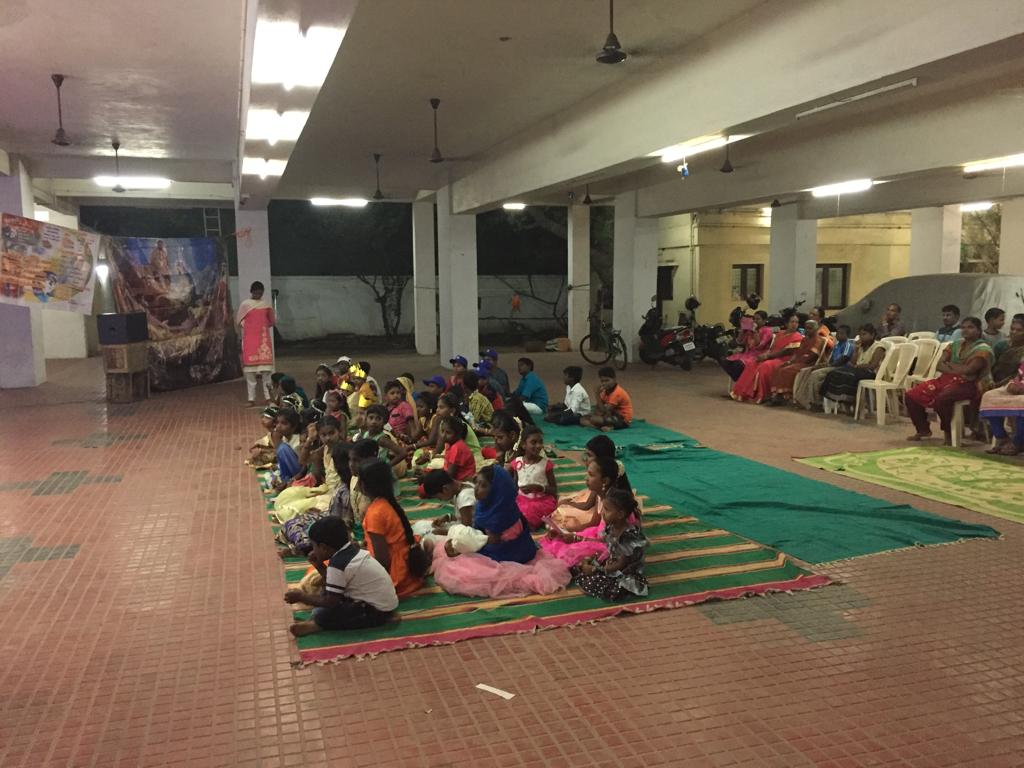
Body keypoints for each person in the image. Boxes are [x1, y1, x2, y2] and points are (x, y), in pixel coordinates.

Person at [428, 465, 570, 598]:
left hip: (508, 552)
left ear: (496, 489)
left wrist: (462, 546)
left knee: (460, 565)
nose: (476, 489)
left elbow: (491, 542)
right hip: (505, 544)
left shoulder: (498, 514)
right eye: (477, 483)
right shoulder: (490, 504)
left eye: (483, 486)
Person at [284, 517, 398, 637]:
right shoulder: (352, 550)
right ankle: (317, 620)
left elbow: (330, 602)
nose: (313, 551)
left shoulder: (338, 564)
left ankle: (317, 624)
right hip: (383, 605)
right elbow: (333, 583)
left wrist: (301, 597)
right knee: (325, 593)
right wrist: (318, 565)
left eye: (314, 547)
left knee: (323, 613)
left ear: (323, 547)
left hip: (376, 613)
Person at [905, 316, 993, 444]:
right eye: (963, 327)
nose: (966, 330)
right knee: (912, 395)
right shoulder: (955, 345)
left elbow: (970, 370)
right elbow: (939, 364)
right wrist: (958, 369)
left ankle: (948, 433)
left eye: (970, 327)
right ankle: (923, 429)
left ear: (979, 330)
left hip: (971, 384)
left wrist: (950, 366)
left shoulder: (983, 349)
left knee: (942, 399)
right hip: (947, 379)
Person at [542, 455, 630, 568]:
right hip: (596, 535)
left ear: (605, 481)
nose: (586, 478)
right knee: (557, 540)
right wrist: (564, 531)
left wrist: (577, 538)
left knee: (569, 553)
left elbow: (613, 543)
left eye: (591, 475)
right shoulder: (601, 496)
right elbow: (593, 522)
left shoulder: (614, 506)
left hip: (607, 545)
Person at [358, 459, 429, 597]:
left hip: (395, 575)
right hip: (405, 567)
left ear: (363, 485)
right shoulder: (386, 503)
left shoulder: (375, 513)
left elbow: (382, 561)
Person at [276, 443, 353, 557]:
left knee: (303, 531)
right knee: (292, 523)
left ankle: (304, 549)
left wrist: (325, 521)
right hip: (330, 517)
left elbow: (345, 523)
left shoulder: (350, 488)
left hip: (337, 528)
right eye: (337, 464)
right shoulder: (343, 483)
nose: (339, 468)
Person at [571, 488, 648, 601]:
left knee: (602, 583)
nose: (602, 513)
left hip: (624, 571)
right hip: (612, 561)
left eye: (607, 510)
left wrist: (596, 569)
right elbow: (607, 545)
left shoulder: (628, 536)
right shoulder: (611, 526)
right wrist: (592, 559)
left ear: (620, 514)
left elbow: (621, 564)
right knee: (579, 566)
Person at [731, 314, 803, 403]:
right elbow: (772, 348)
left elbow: (786, 352)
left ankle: (762, 395)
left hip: (784, 359)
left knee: (765, 365)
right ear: (786, 323)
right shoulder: (780, 334)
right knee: (753, 363)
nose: (794, 324)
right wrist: (764, 355)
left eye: (796, 322)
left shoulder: (798, 336)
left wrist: (767, 356)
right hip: (773, 356)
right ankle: (743, 392)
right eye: (792, 322)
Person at [765, 319, 831, 405]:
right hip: (799, 361)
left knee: (786, 370)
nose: (807, 330)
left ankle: (785, 397)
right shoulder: (804, 339)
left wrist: (796, 362)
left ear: (816, 329)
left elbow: (811, 357)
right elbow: (797, 353)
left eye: (810, 328)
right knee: (779, 368)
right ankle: (776, 395)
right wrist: (790, 361)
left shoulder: (819, 340)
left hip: (808, 364)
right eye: (806, 328)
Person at [820, 324, 886, 409]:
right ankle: (837, 401)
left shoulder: (879, 347)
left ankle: (850, 403)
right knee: (835, 372)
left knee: (849, 376)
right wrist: (856, 350)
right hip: (858, 370)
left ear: (872, 335)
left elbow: (872, 366)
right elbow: (852, 362)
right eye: (860, 335)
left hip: (871, 373)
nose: (861, 337)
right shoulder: (861, 346)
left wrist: (857, 366)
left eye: (864, 334)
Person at [793, 324, 855, 411]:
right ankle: (802, 399)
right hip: (831, 366)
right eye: (838, 333)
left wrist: (827, 365)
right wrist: (822, 365)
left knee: (815, 375)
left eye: (842, 333)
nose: (839, 335)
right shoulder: (836, 345)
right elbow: (831, 360)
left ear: (847, 335)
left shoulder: (848, 345)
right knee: (806, 371)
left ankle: (817, 403)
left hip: (839, 368)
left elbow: (842, 360)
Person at [509, 425, 558, 528]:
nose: (538, 445)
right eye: (534, 442)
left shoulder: (546, 464)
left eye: (540, 442)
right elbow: (515, 486)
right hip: (521, 500)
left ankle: (528, 523)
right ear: (523, 445)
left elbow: (554, 490)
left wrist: (539, 488)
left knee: (528, 512)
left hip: (541, 501)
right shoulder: (517, 462)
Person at [236, 281, 275, 405]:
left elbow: (272, 321)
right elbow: (239, 320)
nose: (258, 295)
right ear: (251, 292)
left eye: (260, 293)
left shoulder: (266, 305)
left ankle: (269, 398)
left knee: (266, 373)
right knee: (250, 374)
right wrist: (249, 328)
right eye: (256, 293)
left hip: (263, 342)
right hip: (250, 342)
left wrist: (261, 328)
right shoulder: (245, 305)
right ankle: (251, 399)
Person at [981, 358, 1024, 456]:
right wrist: (1013, 384)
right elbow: (1018, 376)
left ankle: (1018, 443)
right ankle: (1001, 438)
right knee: (989, 397)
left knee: (1022, 403)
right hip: (1018, 388)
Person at [354, 404, 408, 476]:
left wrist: (387, 465)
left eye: (378, 419)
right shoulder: (366, 434)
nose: (374, 421)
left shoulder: (382, 439)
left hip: (381, 472)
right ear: (366, 419)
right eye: (371, 418)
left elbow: (403, 453)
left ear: (384, 422)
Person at [719, 310, 773, 383]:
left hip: (758, 355)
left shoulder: (767, 331)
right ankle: (741, 381)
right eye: (754, 319)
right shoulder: (749, 330)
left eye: (758, 319)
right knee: (724, 361)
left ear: (764, 321)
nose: (755, 321)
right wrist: (742, 331)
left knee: (738, 365)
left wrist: (754, 331)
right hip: (747, 354)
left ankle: (742, 382)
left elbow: (759, 346)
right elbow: (739, 342)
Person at [439, 415, 477, 482]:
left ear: (458, 434)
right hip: (454, 478)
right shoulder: (449, 443)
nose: (443, 435)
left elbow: (450, 475)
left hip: (462, 482)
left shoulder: (457, 448)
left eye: (448, 433)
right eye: (442, 431)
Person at [271, 408, 303, 484]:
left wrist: (290, 481)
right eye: (277, 422)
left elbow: (304, 469)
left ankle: (285, 480)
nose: (278, 426)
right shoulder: (285, 438)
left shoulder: (298, 442)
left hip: (299, 475)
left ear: (294, 427)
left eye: (284, 423)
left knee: (282, 448)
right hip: (291, 474)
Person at [992, 314, 1024, 385]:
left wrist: (1000, 385)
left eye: (1019, 330)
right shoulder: (1001, 345)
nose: (1014, 332)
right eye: (1012, 329)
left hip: (1012, 385)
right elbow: (990, 365)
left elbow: (1019, 374)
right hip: (992, 382)